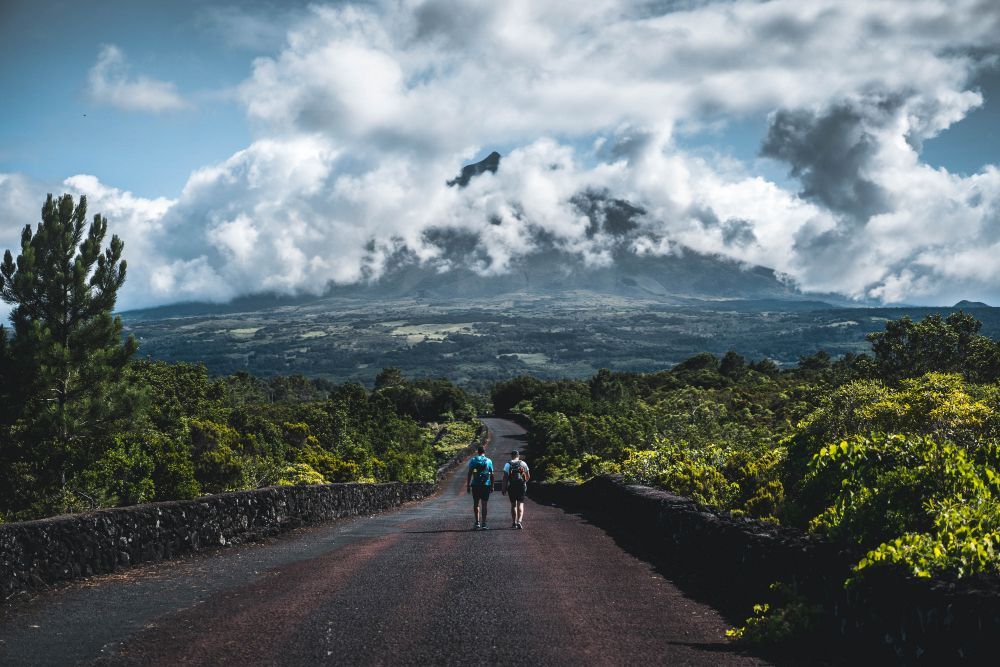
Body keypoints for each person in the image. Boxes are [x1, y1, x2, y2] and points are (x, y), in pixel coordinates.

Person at [466, 444, 494, 530]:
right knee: (484, 504)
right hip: (486, 485)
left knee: (476, 503)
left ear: (478, 452)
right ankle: (484, 523)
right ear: (484, 452)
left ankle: (477, 522)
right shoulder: (488, 461)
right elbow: (492, 474)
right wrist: (492, 486)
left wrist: (468, 485)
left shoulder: (473, 460)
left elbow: (470, 473)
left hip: (475, 484)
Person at [502, 449, 530, 529]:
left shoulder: (507, 465)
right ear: (518, 455)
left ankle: (514, 522)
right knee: (520, 504)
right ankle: (519, 521)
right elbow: (528, 476)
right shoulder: (523, 463)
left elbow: (505, 478)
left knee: (513, 505)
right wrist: (524, 482)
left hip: (512, 487)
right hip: (521, 486)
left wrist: (503, 488)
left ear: (511, 456)